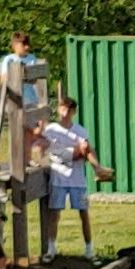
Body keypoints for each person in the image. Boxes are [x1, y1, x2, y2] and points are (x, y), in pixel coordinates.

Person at [35, 95, 110, 260]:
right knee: (54, 213)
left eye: (68, 109)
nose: (65, 112)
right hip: (59, 175)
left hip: (77, 178)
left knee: (83, 212)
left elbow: (87, 148)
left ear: (73, 112)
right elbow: (41, 144)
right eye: (62, 108)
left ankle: (89, 249)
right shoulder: (52, 129)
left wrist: (80, 151)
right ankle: (51, 249)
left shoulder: (79, 130)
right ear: (58, 109)